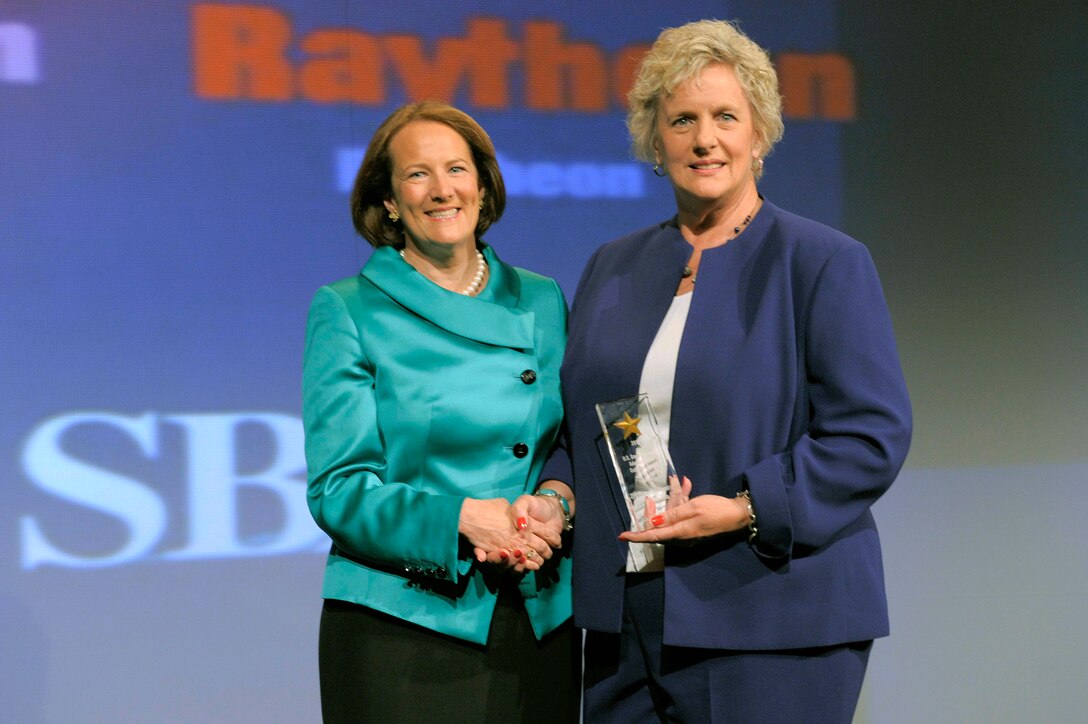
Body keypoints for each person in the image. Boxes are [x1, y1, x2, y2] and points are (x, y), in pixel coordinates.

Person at [541, 19, 912, 723]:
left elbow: (871, 435)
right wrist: (556, 494)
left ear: (760, 134)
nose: (703, 138)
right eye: (681, 119)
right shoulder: (611, 265)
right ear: (655, 140)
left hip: (768, 613)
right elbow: (588, 421)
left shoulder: (822, 262)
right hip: (626, 617)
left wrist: (746, 507)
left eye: (724, 117)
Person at [303, 101, 578, 723]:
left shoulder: (541, 299)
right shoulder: (348, 309)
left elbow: (571, 442)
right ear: (390, 200)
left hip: (537, 613)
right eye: (417, 174)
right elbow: (339, 491)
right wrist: (461, 519)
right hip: (403, 622)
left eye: (457, 169)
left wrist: (556, 506)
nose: (442, 189)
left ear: (482, 186)